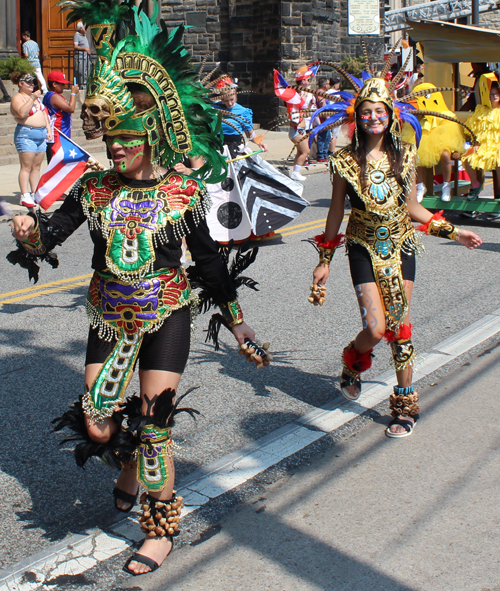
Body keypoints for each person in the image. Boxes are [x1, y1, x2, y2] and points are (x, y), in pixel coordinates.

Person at [9, 1, 270, 576]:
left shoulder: (184, 193)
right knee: (98, 421)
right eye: (111, 140)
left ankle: (160, 528)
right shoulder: (94, 188)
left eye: (125, 139)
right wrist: (30, 235)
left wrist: (238, 321)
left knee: (155, 427)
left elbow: (208, 264)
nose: (115, 148)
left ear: (150, 136)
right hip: (108, 314)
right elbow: (53, 234)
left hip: (167, 314)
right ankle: (122, 458)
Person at [308, 49, 482, 439]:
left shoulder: (404, 155)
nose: (373, 117)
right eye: (366, 111)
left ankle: (404, 403)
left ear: (391, 114)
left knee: (400, 327)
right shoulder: (343, 162)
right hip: (362, 248)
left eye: (380, 110)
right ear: (357, 115)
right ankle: (354, 359)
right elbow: (335, 213)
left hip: (401, 246)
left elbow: (413, 208)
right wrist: (324, 261)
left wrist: (455, 231)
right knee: (374, 328)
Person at [402, 83, 468, 202]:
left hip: (441, 143)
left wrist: (455, 149)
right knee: (418, 155)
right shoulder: (419, 118)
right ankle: (420, 186)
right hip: (425, 141)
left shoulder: (445, 115)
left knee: (445, 155)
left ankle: (446, 185)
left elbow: (452, 134)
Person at [10, 71, 52, 208]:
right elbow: (22, 113)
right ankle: (24, 194)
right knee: (26, 167)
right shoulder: (18, 98)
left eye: (32, 82)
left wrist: (48, 129)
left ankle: (35, 192)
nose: (31, 85)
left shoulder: (35, 98)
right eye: (28, 82)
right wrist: (32, 98)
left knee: (37, 166)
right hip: (26, 134)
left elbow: (43, 113)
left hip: (40, 134)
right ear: (20, 83)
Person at [463, 72, 500, 219]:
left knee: (498, 162)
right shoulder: (481, 110)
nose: (494, 96)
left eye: (497, 93)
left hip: (497, 147)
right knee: (467, 157)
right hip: (485, 146)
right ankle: (475, 185)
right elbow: (475, 130)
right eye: (491, 94)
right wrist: (476, 144)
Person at [212, 77, 268, 156]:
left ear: (236, 95)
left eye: (232, 99)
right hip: (215, 147)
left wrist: (260, 143)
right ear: (221, 98)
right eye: (226, 100)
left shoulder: (243, 112)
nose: (230, 103)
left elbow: (250, 134)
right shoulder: (213, 108)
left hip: (234, 148)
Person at [288, 66, 317, 181]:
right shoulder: (295, 95)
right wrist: (305, 96)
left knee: (300, 151)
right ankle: (295, 172)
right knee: (306, 151)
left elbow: (307, 110)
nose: (307, 82)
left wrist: (311, 103)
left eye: (308, 80)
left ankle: (295, 172)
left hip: (302, 129)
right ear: (302, 81)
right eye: (306, 80)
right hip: (296, 129)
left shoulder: (304, 94)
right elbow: (300, 105)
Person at [43, 71, 79, 162]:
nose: (64, 86)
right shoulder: (54, 97)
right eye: (62, 84)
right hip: (56, 135)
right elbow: (71, 108)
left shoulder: (56, 96)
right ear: (54, 84)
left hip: (62, 135)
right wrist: (73, 94)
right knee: (56, 166)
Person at [315, 77, 331, 162]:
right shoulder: (321, 93)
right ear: (325, 85)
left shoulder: (320, 92)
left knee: (327, 137)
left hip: (324, 118)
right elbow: (322, 105)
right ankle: (321, 156)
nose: (329, 85)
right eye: (328, 84)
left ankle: (324, 155)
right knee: (323, 137)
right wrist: (327, 117)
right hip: (323, 118)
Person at [73, 22, 91, 87]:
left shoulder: (84, 35)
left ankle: (87, 86)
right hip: (80, 57)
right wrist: (84, 49)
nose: (86, 30)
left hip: (86, 57)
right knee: (82, 73)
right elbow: (75, 46)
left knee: (87, 72)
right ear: (80, 29)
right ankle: (83, 87)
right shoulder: (77, 35)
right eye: (84, 28)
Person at [327, 77, 341, 155]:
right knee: (334, 134)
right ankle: (331, 151)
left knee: (329, 133)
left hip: (327, 114)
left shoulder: (326, 92)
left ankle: (326, 150)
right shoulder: (337, 94)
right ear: (335, 85)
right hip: (336, 114)